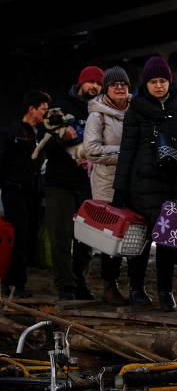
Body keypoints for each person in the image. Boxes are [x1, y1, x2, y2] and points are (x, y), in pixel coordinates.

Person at [113, 56, 177, 312]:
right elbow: (127, 150)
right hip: (141, 186)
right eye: (153, 81)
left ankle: (166, 292)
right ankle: (137, 289)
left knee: (168, 242)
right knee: (139, 241)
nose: (158, 86)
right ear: (145, 84)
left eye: (162, 80)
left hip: (171, 185)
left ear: (169, 82)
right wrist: (120, 189)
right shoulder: (136, 112)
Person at [45, 66, 103, 300]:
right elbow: (45, 142)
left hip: (88, 183)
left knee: (86, 237)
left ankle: (80, 282)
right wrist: (63, 140)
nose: (95, 87)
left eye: (99, 85)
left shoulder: (100, 110)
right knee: (61, 236)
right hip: (59, 183)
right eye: (92, 83)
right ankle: (65, 285)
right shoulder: (61, 106)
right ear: (81, 83)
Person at [83, 66, 131, 305]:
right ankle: (109, 286)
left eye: (123, 84)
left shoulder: (137, 111)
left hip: (133, 182)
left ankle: (136, 286)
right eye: (114, 85)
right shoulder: (97, 115)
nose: (119, 88)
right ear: (106, 89)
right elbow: (91, 151)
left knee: (133, 235)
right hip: (106, 184)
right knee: (110, 238)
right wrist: (127, 154)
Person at [0, 90, 50, 297]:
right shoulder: (11, 133)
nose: (46, 115)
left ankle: (18, 282)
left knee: (28, 238)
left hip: (33, 193)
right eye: (43, 110)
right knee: (17, 237)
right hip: (14, 191)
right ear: (32, 109)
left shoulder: (42, 134)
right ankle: (14, 284)